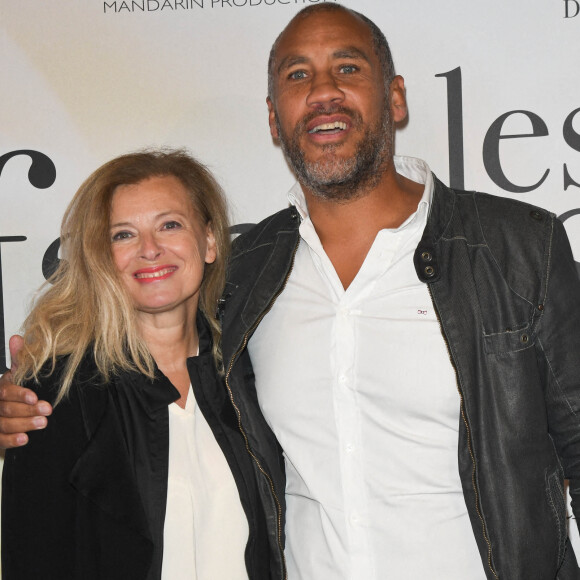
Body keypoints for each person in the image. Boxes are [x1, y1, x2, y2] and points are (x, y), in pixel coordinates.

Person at [2, 5, 580, 579]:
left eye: (348, 68)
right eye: (298, 75)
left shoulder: (519, 249)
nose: (324, 91)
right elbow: (146, 360)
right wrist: (25, 396)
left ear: (396, 97)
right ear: (275, 120)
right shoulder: (247, 275)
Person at [1, 149, 274, 580]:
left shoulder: (251, 376)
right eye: (123, 235)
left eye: (169, 225)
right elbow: (33, 559)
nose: (150, 250)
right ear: (100, 258)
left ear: (209, 242)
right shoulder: (57, 395)